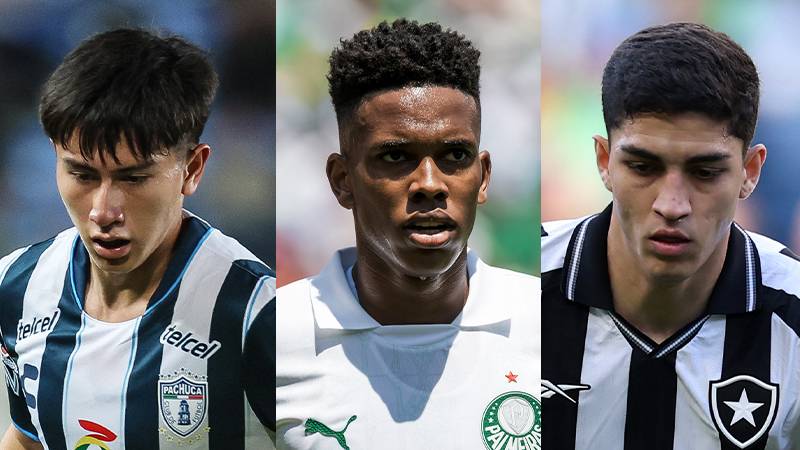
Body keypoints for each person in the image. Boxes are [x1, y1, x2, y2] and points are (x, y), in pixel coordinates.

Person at [0, 29, 275, 450]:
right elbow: (29, 437)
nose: (103, 211)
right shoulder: (18, 287)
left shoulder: (256, 313)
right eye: (82, 174)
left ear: (192, 169)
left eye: (133, 178)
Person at [275, 19, 540, 449]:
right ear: (342, 180)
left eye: (455, 155)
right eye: (396, 157)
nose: (430, 184)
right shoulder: (272, 335)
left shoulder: (550, 328)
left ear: (483, 177)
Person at [541, 22, 800, 449]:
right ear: (604, 161)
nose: (672, 204)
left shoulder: (791, 315)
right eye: (643, 167)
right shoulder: (522, 295)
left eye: (705, 172)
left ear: (749, 172)